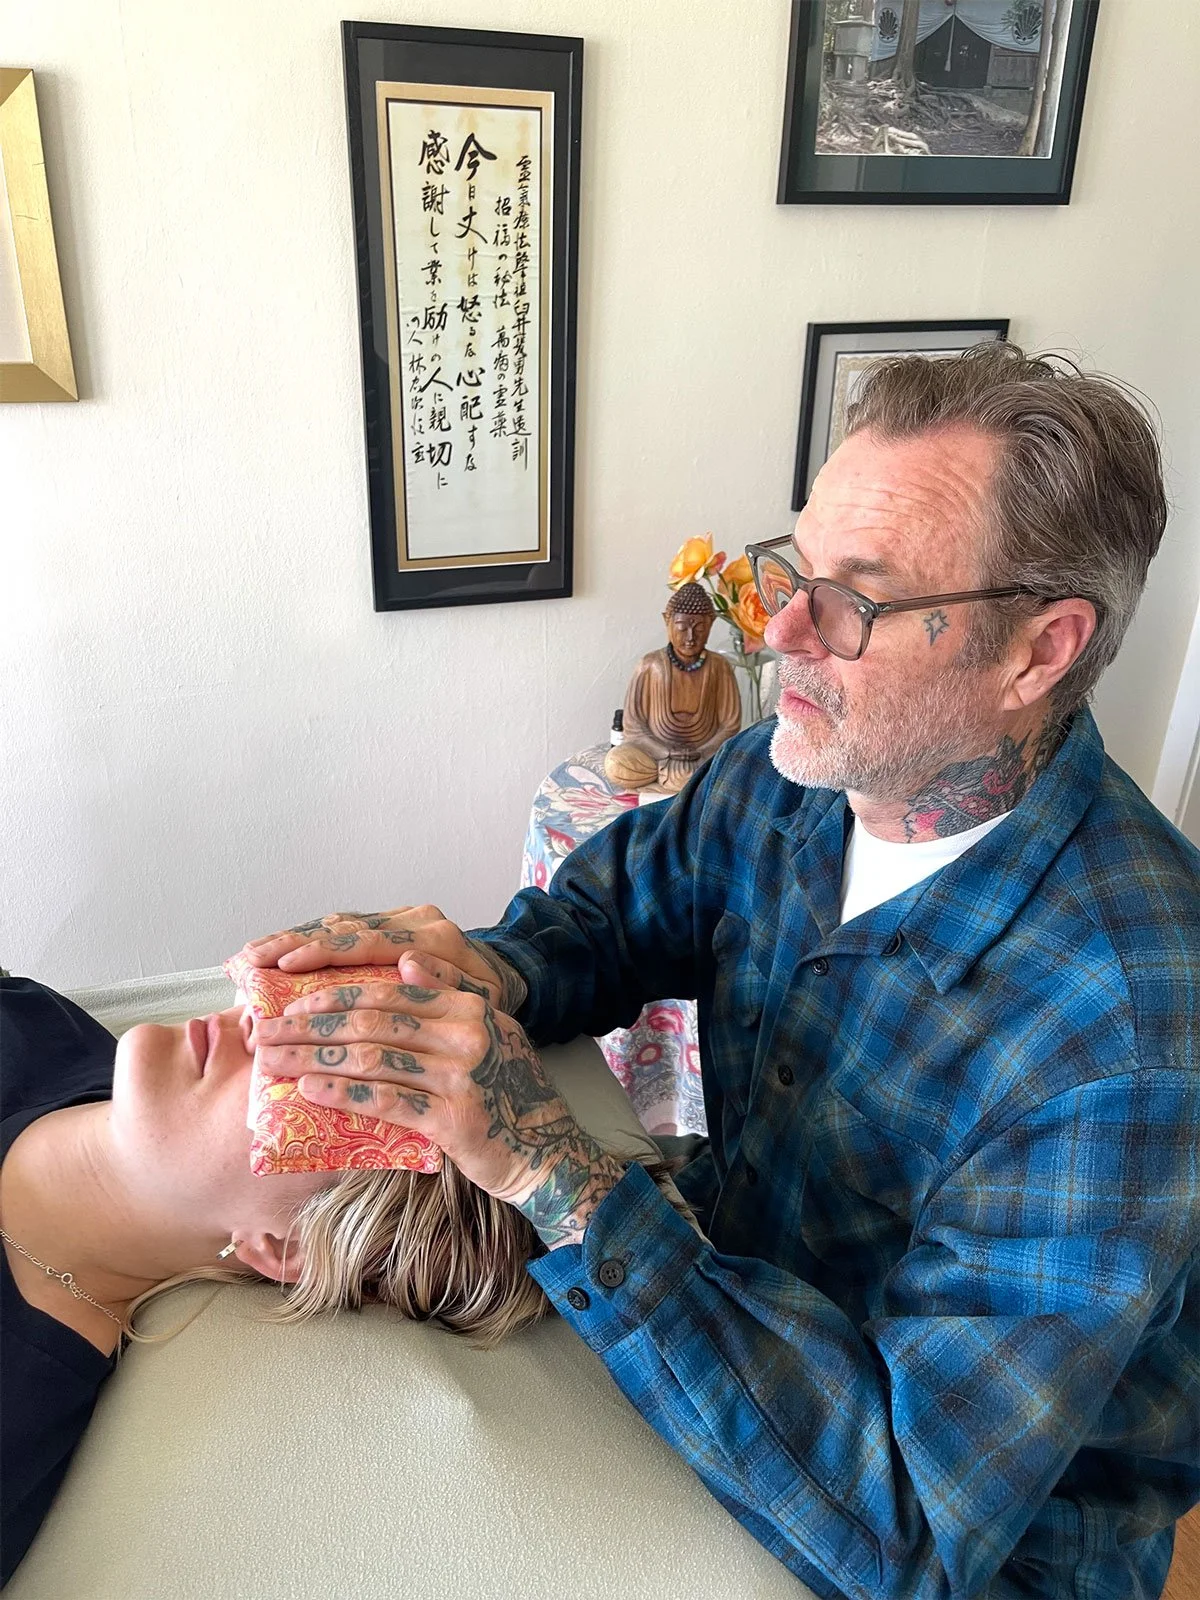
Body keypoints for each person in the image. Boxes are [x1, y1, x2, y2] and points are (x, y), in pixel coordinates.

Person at [240, 344, 1200, 1599]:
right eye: (792, 570)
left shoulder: (1126, 1039)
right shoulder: (794, 772)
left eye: (858, 598)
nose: (784, 631)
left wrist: (549, 1166)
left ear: (1038, 651)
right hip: (733, 1311)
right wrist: (486, 963)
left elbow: (907, 1527)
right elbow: (611, 919)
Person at [0, 975, 550, 1588]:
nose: (263, 1025)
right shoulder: (35, 1020)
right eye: (321, 1016)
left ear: (287, 1244)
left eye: (326, 1081)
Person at [605, 580, 742, 794]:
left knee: (737, 767)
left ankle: (684, 781)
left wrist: (702, 752)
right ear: (667, 621)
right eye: (682, 628)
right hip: (654, 755)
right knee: (616, 764)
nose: (690, 637)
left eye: (699, 628)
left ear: (711, 623)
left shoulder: (719, 667)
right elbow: (633, 725)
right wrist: (666, 752)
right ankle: (686, 783)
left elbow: (730, 726)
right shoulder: (650, 665)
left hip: (702, 757)